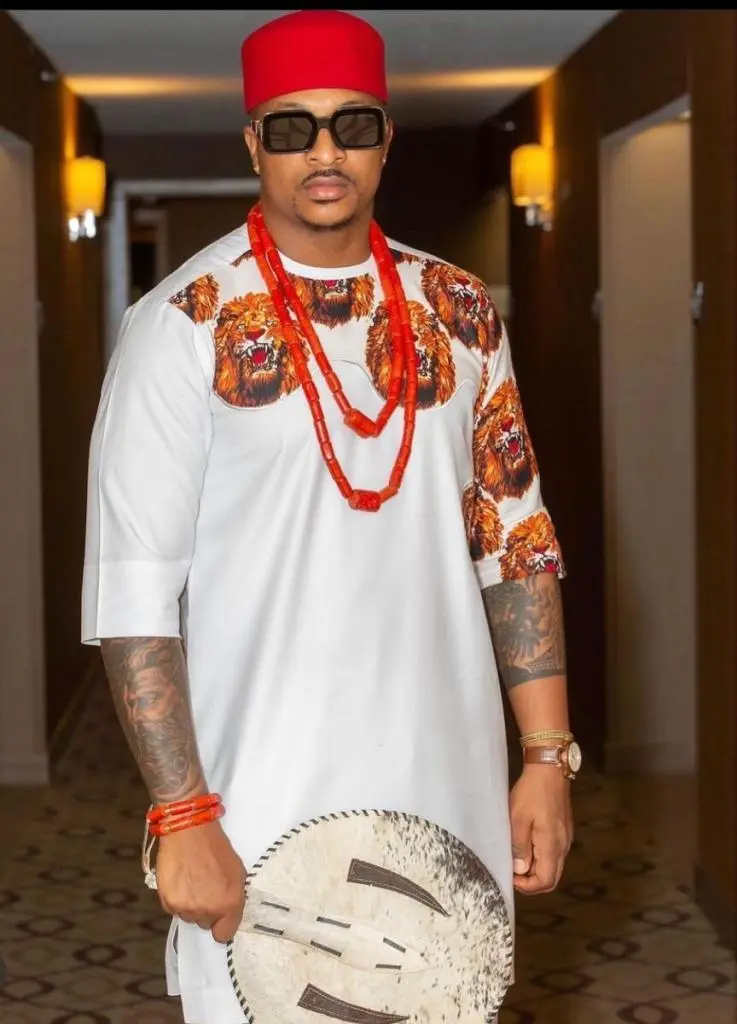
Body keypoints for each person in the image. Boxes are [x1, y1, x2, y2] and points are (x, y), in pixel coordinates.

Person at [81, 9, 577, 1023]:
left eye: (350, 125)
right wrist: (180, 812)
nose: (322, 151)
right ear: (252, 143)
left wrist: (545, 756)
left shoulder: (459, 311)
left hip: (445, 778)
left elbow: (514, 541)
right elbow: (134, 592)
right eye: (290, 126)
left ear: (384, 140)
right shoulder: (180, 325)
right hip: (258, 787)